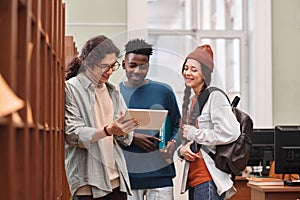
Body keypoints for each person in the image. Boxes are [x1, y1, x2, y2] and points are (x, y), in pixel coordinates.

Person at [65, 35, 140, 200]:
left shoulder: (113, 91)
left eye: (113, 66)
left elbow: (126, 139)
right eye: (104, 66)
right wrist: (108, 130)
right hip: (88, 183)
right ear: (87, 62)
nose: (110, 71)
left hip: (116, 180)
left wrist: (124, 129)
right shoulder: (71, 88)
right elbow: (72, 133)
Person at [119, 38, 181, 200]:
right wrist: (132, 138)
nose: (137, 71)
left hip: (161, 175)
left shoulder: (164, 91)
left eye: (143, 66)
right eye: (132, 65)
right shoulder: (114, 94)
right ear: (124, 64)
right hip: (127, 177)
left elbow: (179, 126)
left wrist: (173, 144)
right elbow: (109, 131)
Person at [178, 44, 240, 200]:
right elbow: (188, 140)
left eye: (194, 70)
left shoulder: (215, 97)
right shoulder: (192, 101)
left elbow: (231, 132)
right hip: (194, 181)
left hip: (208, 181)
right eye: (186, 68)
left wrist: (195, 133)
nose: (188, 73)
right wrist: (181, 151)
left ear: (205, 74)